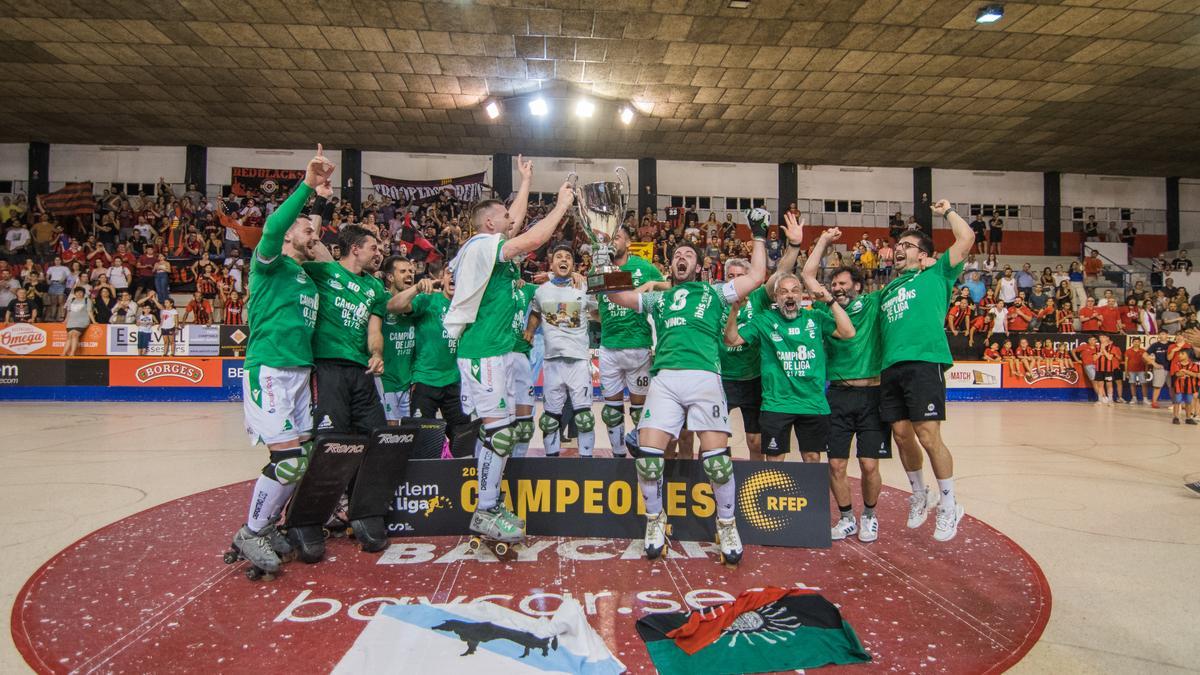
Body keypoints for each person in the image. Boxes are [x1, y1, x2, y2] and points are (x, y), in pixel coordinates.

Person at [606, 207, 770, 564]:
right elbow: (618, 296)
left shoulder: (716, 293)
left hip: (704, 377)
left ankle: (726, 524)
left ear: (698, 266)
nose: (681, 257)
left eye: (688, 255)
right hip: (665, 378)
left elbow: (757, 275)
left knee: (718, 465)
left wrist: (758, 234)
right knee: (648, 461)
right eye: (677, 254)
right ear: (671, 265)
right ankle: (655, 521)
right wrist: (605, 261)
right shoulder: (659, 298)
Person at [444, 156, 573, 547]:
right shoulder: (482, 244)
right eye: (503, 216)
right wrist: (561, 207)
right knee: (499, 435)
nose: (512, 219)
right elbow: (530, 238)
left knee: (498, 432)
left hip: (495, 350)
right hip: (482, 350)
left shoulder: (486, 243)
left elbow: (515, 223)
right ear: (489, 223)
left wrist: (526, 181)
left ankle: (490, 503)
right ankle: (485, 510)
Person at [230, 145, 333, 575]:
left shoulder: (304, 273)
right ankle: (251, 531)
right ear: (289, 235)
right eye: (307, 231)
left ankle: (268, 523)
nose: (315, 236)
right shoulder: (268, 264)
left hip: (299, 373)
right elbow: (274, 227)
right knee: (288, 460)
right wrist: (307, 187)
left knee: (299, 459)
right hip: (270, 369)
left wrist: (318, 209)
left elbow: (323, 251)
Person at [878, 199, 973, 542]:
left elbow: (966, 239)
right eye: (898, 244)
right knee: (902, 435)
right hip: (891, 366)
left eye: (907, 245)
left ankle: (949, 503)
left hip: (923, 361)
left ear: (923, 254)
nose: (898, 249)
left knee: (928, 434)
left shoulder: (938, 272)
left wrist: (947, 212)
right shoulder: (887, 289)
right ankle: (920, 493)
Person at [802, 226, 894, 543]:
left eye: (843, 284)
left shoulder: (873, 303)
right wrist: (824, 241)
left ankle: (869, 515)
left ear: (857, 285)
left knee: (869, 464)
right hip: (838, 395)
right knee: (836, 465)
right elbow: (808, 275)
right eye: (834, 285)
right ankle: (846, 518)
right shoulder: (824, 312)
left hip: (872, 395)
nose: (837, 288)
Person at [725, 269, 854, 462]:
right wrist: (734, 310)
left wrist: (830, 301)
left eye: (795, 290)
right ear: (775, 297)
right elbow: (731, 340)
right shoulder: (765, 319)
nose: (790, 295)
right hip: (776, 403)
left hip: (812, 403)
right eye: (784, 292)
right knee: (774, 460)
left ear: (802, 295)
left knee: (812, 458)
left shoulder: (815, 317)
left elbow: (848, 332)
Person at [596, 224, 665, 456]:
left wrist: (653, 284)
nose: (612, 243)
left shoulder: (644, 267)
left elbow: (671, 286)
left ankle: (641, 452)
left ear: (627, 243)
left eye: (616, 238)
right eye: (608, 239)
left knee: (639, 410)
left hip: (638, 345)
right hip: (608, 346)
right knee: (611, 412)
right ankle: (617, 454)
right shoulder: (599, 267)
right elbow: (594, 302)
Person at [388, 263, 469, 448]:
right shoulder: (428, 299)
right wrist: (417, 288)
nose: (454, 277)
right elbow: (393, 306)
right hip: (425, 380)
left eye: (459, 273)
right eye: (449, 273)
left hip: (456, 381)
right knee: (422, 441)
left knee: (463, 440)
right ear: (442, 278)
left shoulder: (468, 307)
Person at [532, 245, 598, 457]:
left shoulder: (583, 286)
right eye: (558, 256)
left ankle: (586, 463)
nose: (563, 260)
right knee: (549, 420)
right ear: (551, 264)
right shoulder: (540, 291)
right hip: (552, 362)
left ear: (573, 264)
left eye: (568, 257)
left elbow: (597, 313)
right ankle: (551, 463)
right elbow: (535, 313)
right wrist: (529, 331)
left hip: (578, 361)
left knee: (584, 418)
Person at [377, 256, 417, 425]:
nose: (409, 275)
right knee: (391, 431)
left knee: (409, 431)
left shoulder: (416, 304)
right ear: (390, 277)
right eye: (403, 271)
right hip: (386, 380)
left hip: (408, 381)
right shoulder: (381, 298)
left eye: (411, 271)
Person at [60, 287, 93, 356]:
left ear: (84, 293)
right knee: (69, 336)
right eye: (77, 292)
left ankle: (72, 353)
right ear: (75, 293)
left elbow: (89, 311)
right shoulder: (71, 300)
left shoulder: (87, 300)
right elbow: (69, 312)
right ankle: (64, 353)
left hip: (82, 321)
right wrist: (65, 320)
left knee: (75, 335)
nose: (79, 293)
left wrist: (94, 321)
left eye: (81, 292)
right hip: (71, 322)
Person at [1147, 331, 1173, 408]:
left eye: (1164, 334)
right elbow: (1145, 355)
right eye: (1160, 334)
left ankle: (1175, 403)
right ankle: (1154, 402)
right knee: (1157, 386)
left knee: (1172, 387)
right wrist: (1154, 363)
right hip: (1160, 368)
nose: (1162, 335)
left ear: (1167, 335)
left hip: (1171, 368)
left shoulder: (1172, 344)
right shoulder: (1155, 345)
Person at [1094, 334, 1122, 404]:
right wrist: (1101, 353)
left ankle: (1110, 400)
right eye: (1100, 337)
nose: (1101, 338)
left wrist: (1103, 350)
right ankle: (1100, 400)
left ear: (1107, 338)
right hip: (1099, 369)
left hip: (1108, 369)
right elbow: (1094, 358)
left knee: (1109, 385)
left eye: (1103, 337)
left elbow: (1109, 357)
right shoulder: (1096, 347)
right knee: (1100, 385)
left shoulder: (1112, 347)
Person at [1124, 338, 1151, 404]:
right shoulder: (1128, 351)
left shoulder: (1143, 351)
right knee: (1132, 384)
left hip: (1141, 370)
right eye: (1135, 341)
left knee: (1144, 384)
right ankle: (1134, 398)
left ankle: (1145, 399)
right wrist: (1126, 371)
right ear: (1132, 343)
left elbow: (1146, 362)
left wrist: (1146, 371)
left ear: (1140, 343)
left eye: (1138, 342)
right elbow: (1126, 362)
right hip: (1131, 370)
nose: (1136, 343)